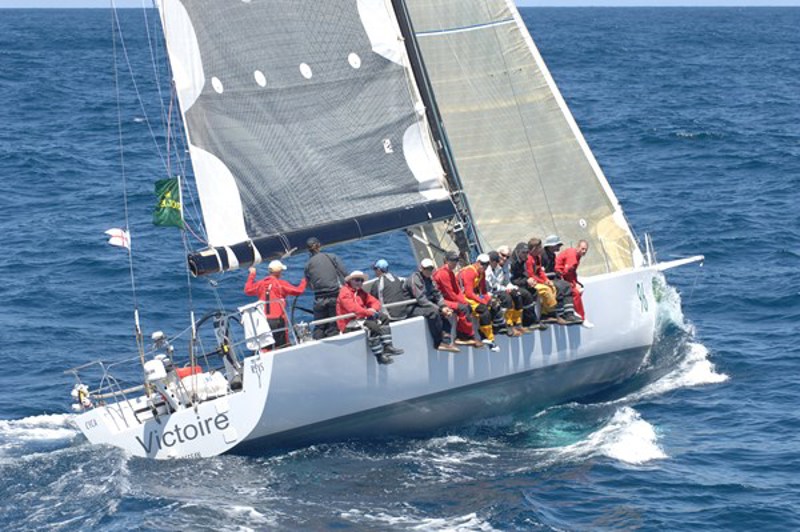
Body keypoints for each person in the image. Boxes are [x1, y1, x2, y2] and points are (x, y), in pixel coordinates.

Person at [337, 271, 404, 364]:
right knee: (373, 327)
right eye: (357, 280)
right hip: (348, 323)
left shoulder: (360, 292)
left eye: (361, 280)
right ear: (350, 281)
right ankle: (379, 356)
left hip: (361, 318)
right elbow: (352, 308)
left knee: (383, 317)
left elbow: (375, 302)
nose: (359, 282)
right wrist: (368, 312)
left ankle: (387, 346)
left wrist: (373, 309)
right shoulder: (344, 292)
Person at [244, 260, 307, 348]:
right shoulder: (280, 284)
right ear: (279, 272)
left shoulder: (260, 284)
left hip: (264, 320)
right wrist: (304, 280)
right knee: (283, 345)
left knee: (267, 345)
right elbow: (298, 291)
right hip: (278, 319)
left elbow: (248, 290)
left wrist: (252, 274)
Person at [403, 258, 460, 352]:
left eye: (431, 269)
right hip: (411, 307)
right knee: (433, 312)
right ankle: (438, 343)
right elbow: (421, 300)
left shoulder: (430, 279)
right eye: (427, 269)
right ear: (421, 268)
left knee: (443, 310)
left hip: (423, 305)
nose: (429, 271)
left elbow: (437, 294)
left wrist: (443, 306)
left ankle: (446, 339)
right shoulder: (415, 279)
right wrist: (439, 309)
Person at [432, 251, 482, 347]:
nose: (455, 263)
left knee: (467, 307)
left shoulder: (450, 272)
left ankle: (467, 335)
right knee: (462, 308)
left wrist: (464, 301)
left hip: (447, 299)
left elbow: (457, 290)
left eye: (456, 260)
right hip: (440, 300)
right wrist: (462, 303)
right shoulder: (442, 273)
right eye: (452, 260)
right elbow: (450, 293)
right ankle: (463, 336)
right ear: (446, 261)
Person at [526, 238, 581, 324]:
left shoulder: (541, 256)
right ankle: (556, 314)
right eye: (557, 245)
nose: (559, 247)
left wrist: (547, 279)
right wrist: (545, 280)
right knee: (557, 287)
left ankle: (568, 313)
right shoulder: (533, 258)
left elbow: (540, 271)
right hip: (536, 281)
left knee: (566, 285)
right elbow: (532, 274)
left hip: (547, 279)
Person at [303, 237, 348, 339]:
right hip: (334, 296)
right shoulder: (331, 257)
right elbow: (344, 274)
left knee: (319, 326)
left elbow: (309, 284)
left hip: (318, 299)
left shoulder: (307, 264)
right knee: (333, 325)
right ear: (319, 245)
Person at [458, 253, 506, 348]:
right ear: (477, 262)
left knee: (494, 304)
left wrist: (489, 300)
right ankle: (486, 336)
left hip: (472, 295)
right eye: (483, 264)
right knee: (484, 310)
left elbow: (483, 291)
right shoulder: (470, 272)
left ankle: (495, 328)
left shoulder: (482, 273)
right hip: (463, 296)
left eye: (487, 264)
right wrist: (483, 301)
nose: (484, 266)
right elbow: (468, 293)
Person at [485, 248, 525, 335]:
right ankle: (508, 324)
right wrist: (505, 289)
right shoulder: (487, 270)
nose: (505, 258)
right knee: (506, 298)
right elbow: (492, 287)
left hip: (500, 289)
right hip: (490, 292)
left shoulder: (503, 267)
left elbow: (506, 282)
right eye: (503, 256)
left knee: (517, 294)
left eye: (507, 257)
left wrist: (512, 287)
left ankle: (517, 322)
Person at [507, 242, 545, 330]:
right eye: (523, 252)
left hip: (521, 282)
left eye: (527, 252)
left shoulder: (523, 260)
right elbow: (512, 279)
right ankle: (528, 322)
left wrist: (530, 280)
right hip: (512, 285)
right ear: (518, 252)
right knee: (526, 294)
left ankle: (534, 318)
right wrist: (526, 281)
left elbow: (524, 274)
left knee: (534, 291)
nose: (525, 255)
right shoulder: (512, 263)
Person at [556, 240, 589, 319]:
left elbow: (572, 273)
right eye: (582, 249)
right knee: (575, 292)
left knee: (580, 289)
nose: (584, 251)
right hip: (558, 276)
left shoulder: (577, 255)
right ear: (577, 247)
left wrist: (575, 282)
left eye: (585, 250)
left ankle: (574, 309)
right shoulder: (573, 257)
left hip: (563, 275)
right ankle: (581, 316)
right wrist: (573, 284)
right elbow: (565, 273)